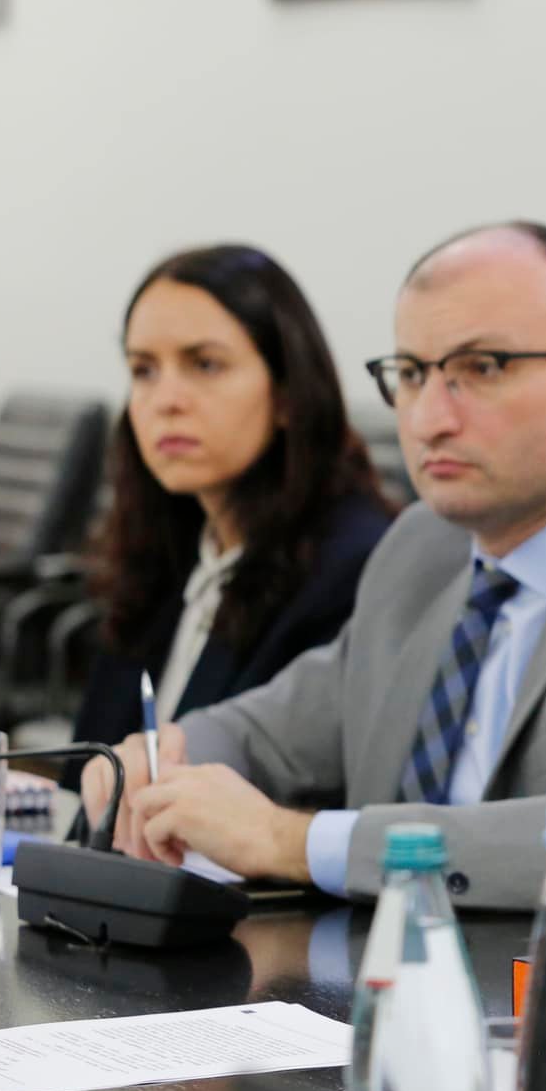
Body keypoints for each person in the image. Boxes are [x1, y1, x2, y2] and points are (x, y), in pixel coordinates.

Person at [81, 221, 546, 948]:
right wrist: (161, 759)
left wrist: (287, 840)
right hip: (404, 983)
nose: (429, 419)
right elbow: (271, 732)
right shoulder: (422, 547)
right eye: (411, 373)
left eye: (483, 367)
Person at [72, 246, 392, 767]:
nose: (166, 400)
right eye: (144, 370)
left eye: (205, 365)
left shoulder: (353, 569)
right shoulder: (171, 543)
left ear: (288, 394)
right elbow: (92, 767)